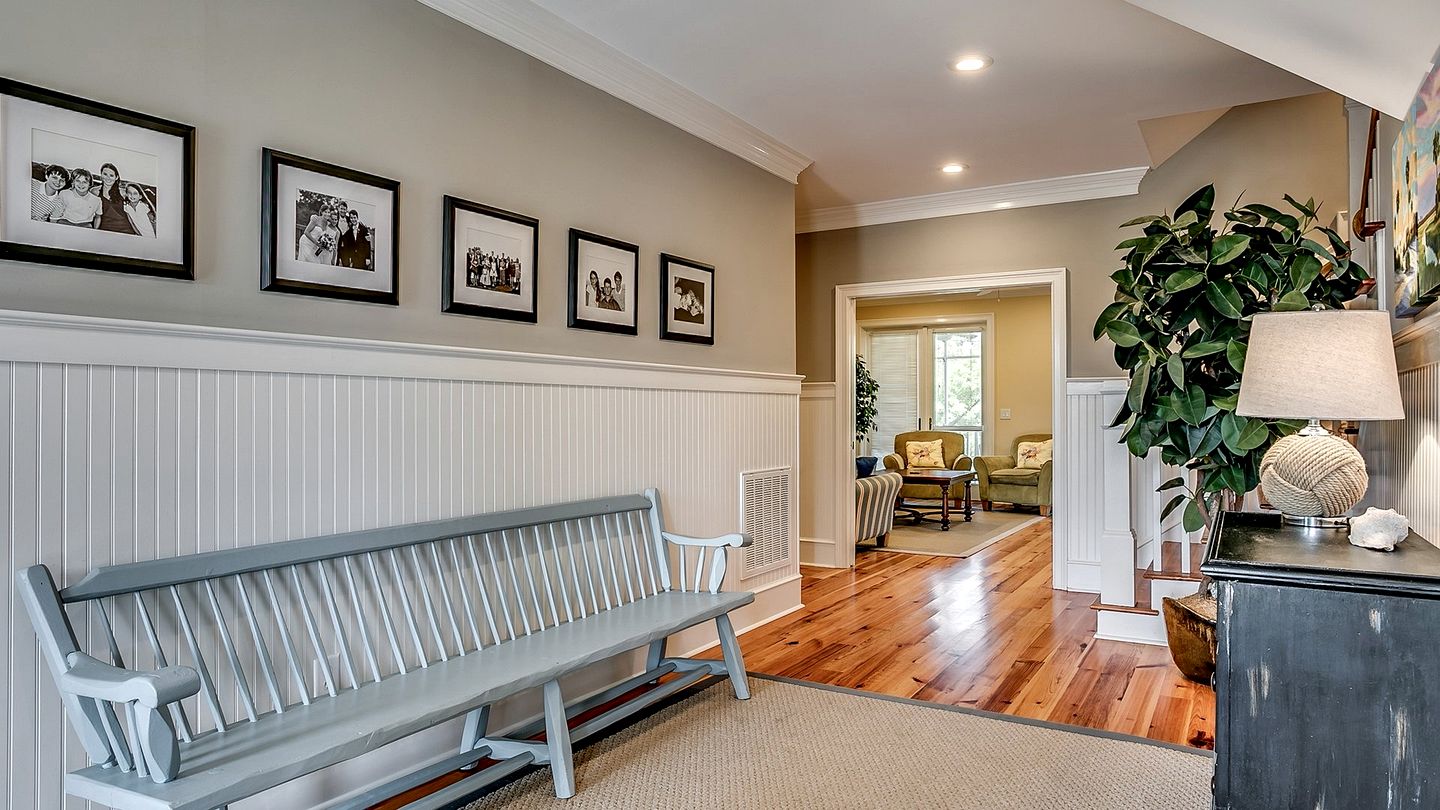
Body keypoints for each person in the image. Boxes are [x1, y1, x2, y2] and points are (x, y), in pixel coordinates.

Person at [96, 163, 137, 235]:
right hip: (104, 231)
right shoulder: (94, 191)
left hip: (125, 230)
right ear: (101, 175)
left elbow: (138, 202)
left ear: (116, 177)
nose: (108, 178)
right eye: (105, 174)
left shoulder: (123, 193)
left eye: (111, 175)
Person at [297, 201, 340, 265]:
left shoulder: (327, 222)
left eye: (328, 212)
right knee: (311, 262)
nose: (327, 214)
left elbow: (334, 223)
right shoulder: (315, 219)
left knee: (315, 262)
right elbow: (306, 232)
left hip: (315, 245)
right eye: (325, 212)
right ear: (322, 212)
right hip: (306, 242)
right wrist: (317, 243)